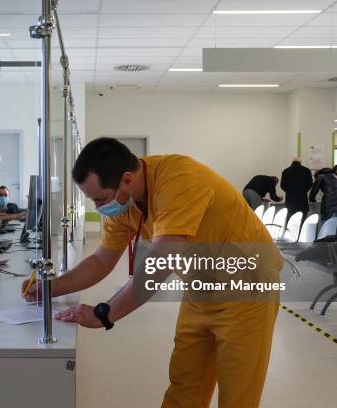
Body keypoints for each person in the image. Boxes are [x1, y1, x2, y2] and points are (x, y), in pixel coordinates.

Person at [22, 137, 282, 408]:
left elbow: (159, 263)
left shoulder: (179, 178)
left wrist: (104, 314)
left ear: (126, 180)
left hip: (248, 288)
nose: (98, 208)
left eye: (100, 198)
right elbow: (101, 260)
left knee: (238, 393)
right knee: (185, 384)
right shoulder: (125, 204)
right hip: (202, 289)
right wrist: (51, 288)